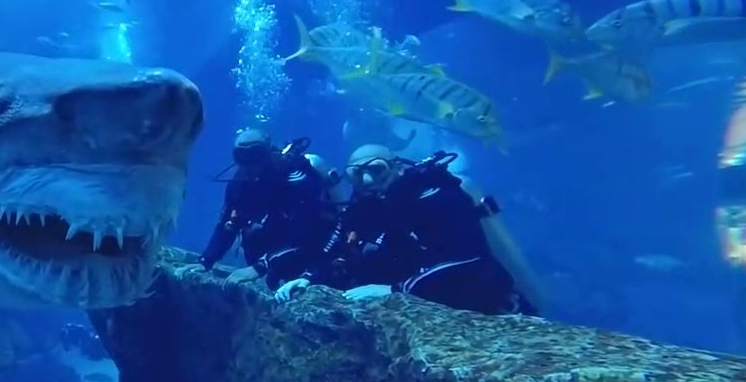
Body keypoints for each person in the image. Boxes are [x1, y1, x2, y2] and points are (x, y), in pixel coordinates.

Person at [274, 144, 543, 316]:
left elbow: (469, 258)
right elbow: (338, 250)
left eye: (376, 170)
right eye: (356, 174)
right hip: (434, 304)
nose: (367, 180)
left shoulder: (433, 196)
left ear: (396, 166)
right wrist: (309, 277)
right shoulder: (362, 208)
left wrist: (396, 289)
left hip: (489, 305)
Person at [183, 129, 348, 288]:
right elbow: (228, 223)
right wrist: (207, 261)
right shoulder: (239, 184)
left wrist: (261, 266)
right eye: (242, 156)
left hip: (311, 248)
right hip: (275, 250)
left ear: (268, 152)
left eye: (256, 154)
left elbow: (308, 231)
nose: (250, 163)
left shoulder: (295, 177)